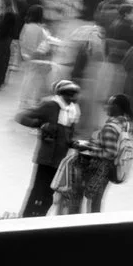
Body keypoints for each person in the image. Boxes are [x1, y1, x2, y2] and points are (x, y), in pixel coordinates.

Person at [54, 93, 133, 216]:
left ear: (117, 107)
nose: (106, 107)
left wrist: (88, 148)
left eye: (110, 104)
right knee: (96, 201)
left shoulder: (110, 127)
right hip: (109, 170)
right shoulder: (124, 124)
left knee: (93, 202)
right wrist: (93, 144)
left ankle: (93, 227)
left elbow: (109, 153)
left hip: (101, 170)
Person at [15, 77, 78, 218]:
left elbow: (69, 134)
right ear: (61, 94)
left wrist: (74, 143)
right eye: (69, 94)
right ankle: (26, 217)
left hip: (60, 158)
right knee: (38, 189)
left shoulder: (72, 110)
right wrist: (40, 125)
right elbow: (22, 116)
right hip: (46, 157)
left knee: (51, 191)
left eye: (73, 95)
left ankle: (41, 217)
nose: (72, 98)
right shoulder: (49, 105)